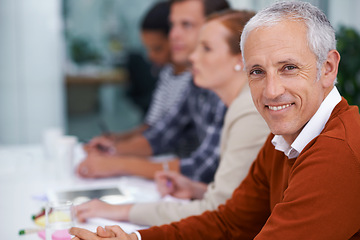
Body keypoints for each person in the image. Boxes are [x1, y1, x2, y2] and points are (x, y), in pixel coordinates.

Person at [70, 1, 360, 240]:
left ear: (328, 69)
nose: (271, 91)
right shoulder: (284, 140)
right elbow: (228, 223)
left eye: (289, 68)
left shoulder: (338, 152)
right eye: (257, 72)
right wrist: (136, 239)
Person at [74, 9, 269, 227]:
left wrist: (121, 210)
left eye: (206, 48)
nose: (194, 57)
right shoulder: (233, 101)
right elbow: (240, 196)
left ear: (241, 59)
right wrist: (198, 190)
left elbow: (217, 211)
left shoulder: (249, 111)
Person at [78, 0, 230, 184]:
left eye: (186, 25)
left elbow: (203, 169)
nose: (173, 35)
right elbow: (161, 134)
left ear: (217, 29)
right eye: (173, 25)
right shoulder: (196, 81)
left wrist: (119, 164)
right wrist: (113, 151)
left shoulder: (228, 89)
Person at [112, 1, 192, 142]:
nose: (150, 56)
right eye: (148, 49)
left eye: (157, 48)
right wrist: (117, 140)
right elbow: (152, 126)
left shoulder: (195, 78)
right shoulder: (167, 73)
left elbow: (166, 135)